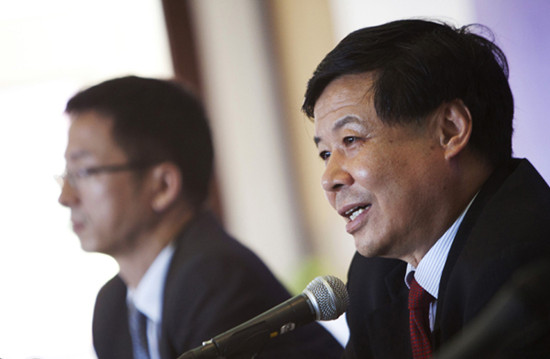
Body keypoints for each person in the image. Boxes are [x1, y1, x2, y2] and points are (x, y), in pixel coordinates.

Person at [302, 19, 550, 358]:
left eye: (351, 140)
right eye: (325, 153)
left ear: (449, 130)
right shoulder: (375, 277)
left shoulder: (528, 263)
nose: (329, 179)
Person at [58, 76, 343, 359]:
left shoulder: (215, 279)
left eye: (84, 172)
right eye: (67, 175)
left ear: (163, 186)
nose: (66, 197)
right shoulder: (113, 307)